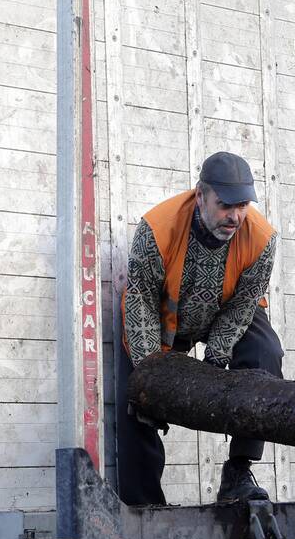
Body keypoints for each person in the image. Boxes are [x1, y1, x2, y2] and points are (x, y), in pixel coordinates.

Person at [116, 151, 283, 505]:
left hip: (225, 311)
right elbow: (141, 300)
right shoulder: (156, 230)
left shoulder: (262, 240)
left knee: (265, 352)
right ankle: (144, 506)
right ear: (201, 195)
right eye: (225, 205)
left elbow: (243, 303)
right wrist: (150, 374)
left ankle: (238, 472)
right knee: (132, 395)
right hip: (160, 316)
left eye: (242, 206)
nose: (235, 216)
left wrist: (218, 353)